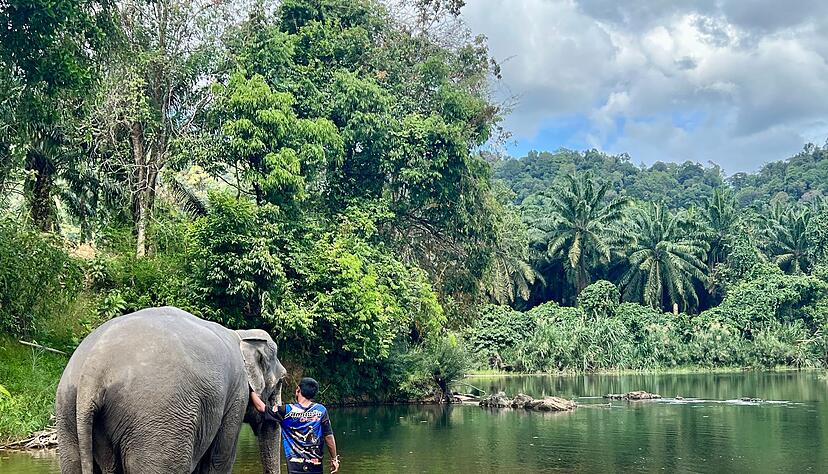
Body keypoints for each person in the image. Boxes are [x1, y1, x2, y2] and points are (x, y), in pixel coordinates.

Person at [250, 377, 339, 474]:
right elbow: (329, 436)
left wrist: (250, 390)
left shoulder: (287, 410)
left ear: (298, 390)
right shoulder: (321, 410)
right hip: (316, 467)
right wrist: (334, 459)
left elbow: (261, 408)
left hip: (295, 468)